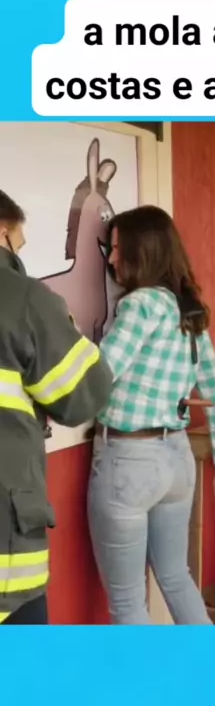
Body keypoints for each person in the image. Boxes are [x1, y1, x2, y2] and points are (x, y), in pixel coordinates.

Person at [87, 205, 215, 625]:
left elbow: (101, 373)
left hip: (129, 463)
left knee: (128, 604)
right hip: (176, 461)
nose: (112, 258)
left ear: (143, 251)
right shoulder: (187, 311)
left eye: (118, 248)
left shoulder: (139, 305)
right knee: (176, 576)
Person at [0, 190, 113, 625]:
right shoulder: (24, 299)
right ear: (3, 231)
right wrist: (65, 328)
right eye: (17, 244)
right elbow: (85, 394)